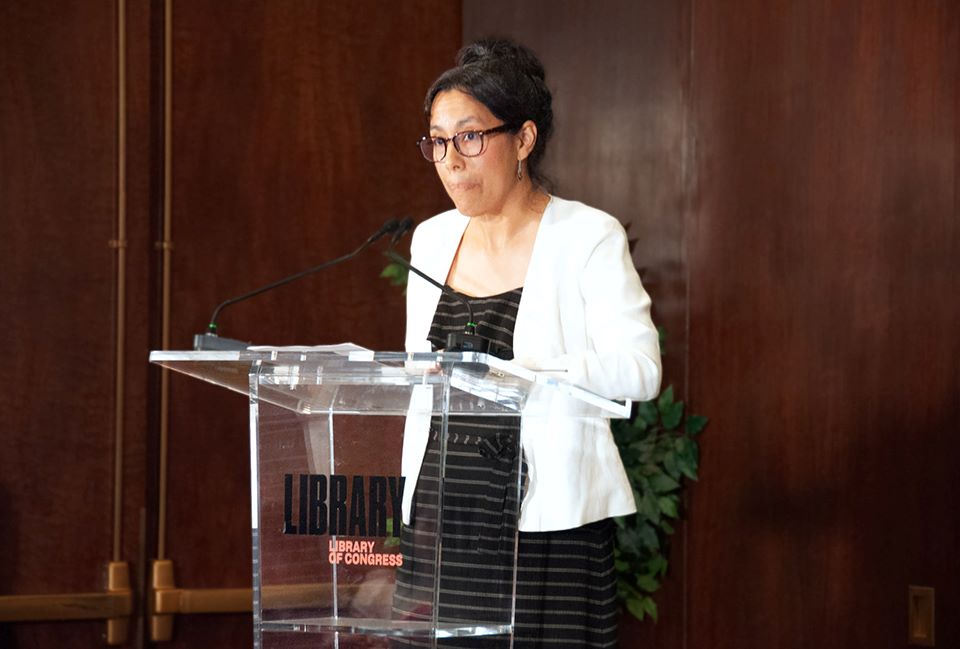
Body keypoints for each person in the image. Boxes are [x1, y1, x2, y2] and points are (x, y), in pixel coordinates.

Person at [392, 38, 661, 648]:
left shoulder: (587, 237)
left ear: (524, 139)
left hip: (543, 525)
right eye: (436, 140)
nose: (450, 160)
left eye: (469, 137)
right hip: (442, 518)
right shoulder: (431, 241)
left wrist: (525, 373)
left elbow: (641, 369)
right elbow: (416, 378)